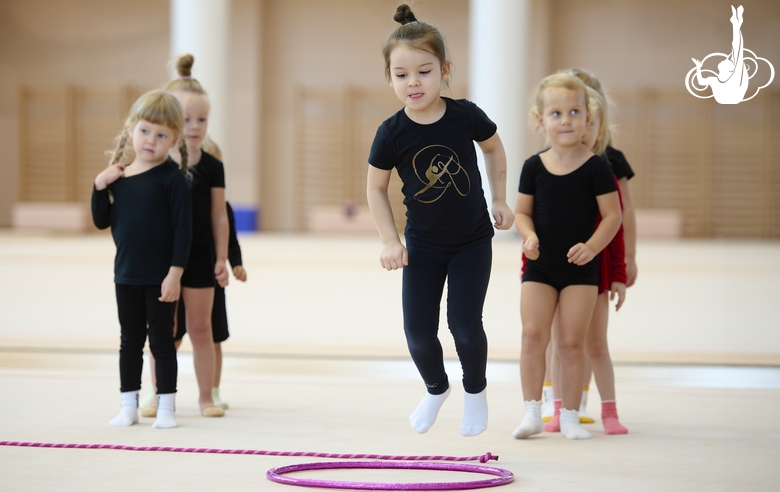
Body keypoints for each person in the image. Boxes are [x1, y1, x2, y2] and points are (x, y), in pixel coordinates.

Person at [366, 4, 514, 437]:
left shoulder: (465, 114)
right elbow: (375, 188)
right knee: (418, 335)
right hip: (423, 246)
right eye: (401, 74)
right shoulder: (391, 132)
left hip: (471, 241)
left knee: (465, 326)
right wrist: (389, 241)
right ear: (390, 77)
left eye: (424, 72)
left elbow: (494, 148)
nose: (413, 82)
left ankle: (475, 391)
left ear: (444, 70)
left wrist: (499, 198)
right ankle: (436, 389)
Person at [512, 73, 621, 440]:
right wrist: (527, 236)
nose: (566, 120)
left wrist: (592, 247)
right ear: (540, 120)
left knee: (572, 343)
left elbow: (613, 216)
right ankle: (531, 412)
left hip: (581, 270)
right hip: (540, 267)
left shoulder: (597, 168)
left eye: (574, 112)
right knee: (532, 336)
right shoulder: (533, 166)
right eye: (556, 113)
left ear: (587, 118)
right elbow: (522, 212)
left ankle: (571, 415)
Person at [91, 90, 192, 429]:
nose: (151, 140)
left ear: (174, 140)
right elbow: (102, 221)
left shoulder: (173, 180)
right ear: (132, 128)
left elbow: (183, 231)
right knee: (129, 341)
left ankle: (166, 407)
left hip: (161, 277)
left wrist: (175, 273)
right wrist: (98, 187)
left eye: (162, 135)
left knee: (161, 341)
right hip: (127, 275)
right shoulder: (119, 178)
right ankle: (128, 404)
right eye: (145, 131)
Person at [543, 86, 629, 435]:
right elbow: (536, 221)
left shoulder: (600, 173)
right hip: (553, 272)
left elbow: (618, 227)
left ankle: (609, 411)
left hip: (597, 273)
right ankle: (560, 408)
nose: (579, 130)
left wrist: (620, 274)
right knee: (559, 343)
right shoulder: (546, 169)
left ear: (594, 128)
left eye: (586, 123)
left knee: (595, 344)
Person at [140, 139, 247, 416]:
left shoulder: (222, 205)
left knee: (210, 336)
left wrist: (232, 263)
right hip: (172, 269)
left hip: (207, 273)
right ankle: (156, 389)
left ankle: (211, 391)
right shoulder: (171, 187)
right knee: (167, 334)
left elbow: (229, 237)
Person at [166, 54, 230, 417]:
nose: (194, 126)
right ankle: (159, 395)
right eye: (186, 119)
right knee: (166, 333)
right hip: (164, 261)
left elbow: (220, 216)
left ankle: (206, 396)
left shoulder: (213, 166)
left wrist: (222, 258)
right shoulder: (159, 165)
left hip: (201, 257)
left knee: (201, 329)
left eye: (202, 119)